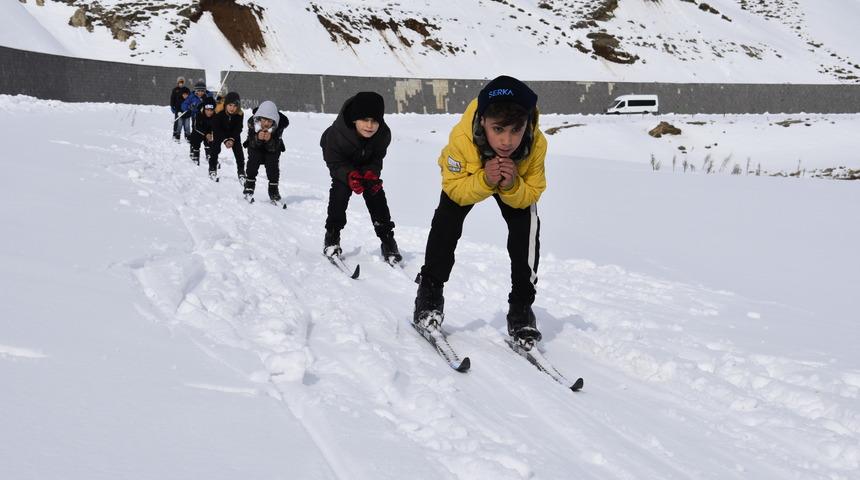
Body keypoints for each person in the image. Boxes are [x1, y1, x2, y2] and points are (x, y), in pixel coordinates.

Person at [413, 75, 547, 345]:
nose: (507, 141)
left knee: (527, 225)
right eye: (498, 129)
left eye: (515, 130)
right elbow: (454, 189)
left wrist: (511, 185)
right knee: (446, 220)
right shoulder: (462, 139)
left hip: (513, 180)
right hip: (472, 175)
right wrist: (485, 180)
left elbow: (532, 192)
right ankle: (429, 295)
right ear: (483, 120)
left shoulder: (536, 144)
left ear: (527, 126)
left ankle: (521, 310)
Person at [319, 91, 402, 264]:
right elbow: (334, 163)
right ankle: (332, 236)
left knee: (375, 192)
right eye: (365, 120)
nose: (370, 126)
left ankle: (387, 239)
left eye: (374, 121)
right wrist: (349, 176)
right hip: (341, 163)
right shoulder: (337, 134)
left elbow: (377, 158)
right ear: (355, 119)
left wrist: (372, 173)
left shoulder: (383, 135)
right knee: (341, 190)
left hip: (365, 164)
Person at [243, 101, 289, 202]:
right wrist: (258, 138)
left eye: (270, 121)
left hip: (272, 148)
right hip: (255, 147)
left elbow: (276, 145)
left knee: (273, 164)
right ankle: (249, 185)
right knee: (253, 161)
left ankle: (273, 189)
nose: (267, 123)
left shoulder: (279, 126)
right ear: (259, 118)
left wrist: (269, 140)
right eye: (264, 120)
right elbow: (251, 141)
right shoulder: (252, 123)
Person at [212, 91, 246, 183]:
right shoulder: (218, 111)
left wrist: (232, 139)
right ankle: (212, 169)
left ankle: (241, 171)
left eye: (235, 106)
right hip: (220, 131)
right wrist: (225, 139)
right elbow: (216, 127)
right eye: (230, 105)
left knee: (239, 151)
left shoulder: (239, 114)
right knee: (215, 148)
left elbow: (239, 128)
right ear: (226, 104)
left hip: (233, 133)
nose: (232, 108)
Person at [181, 81, 215, 163]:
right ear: (195, 91)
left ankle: (209, 152)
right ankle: (193, 149)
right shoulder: (191, 97)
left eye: (202, 91)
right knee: (196, 132)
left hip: (207, 118)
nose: (200, 93)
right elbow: (184, 105)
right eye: (198, 91)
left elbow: (213, 104)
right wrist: (189, 107)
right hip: (196, 117)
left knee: (208, 132)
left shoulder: (208, 96)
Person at [188, 97, 218, 178]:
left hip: (208, 130)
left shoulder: (215, 116)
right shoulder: (199, 114)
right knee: (195, 139)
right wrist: (205, 134)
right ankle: (195, 152)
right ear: (204, 109)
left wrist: (211, 133)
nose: (209, 112)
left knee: (211, 142)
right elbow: (196, 127)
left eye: (211, 110)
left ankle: (210, 157)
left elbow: (216, 127)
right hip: (199, 130)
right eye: (207, 110)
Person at [170, 76, 190, 142]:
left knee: (186, 124)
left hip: (185, 109)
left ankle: (187, 136)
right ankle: (175, 134)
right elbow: (172, 99)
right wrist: (172, 106)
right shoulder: (175, 90)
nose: (181, 83)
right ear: (178, 82)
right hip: (177, 108)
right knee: (177, 122)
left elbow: (190, 98)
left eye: (182, 82)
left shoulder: (186, 89)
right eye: (180, 82)